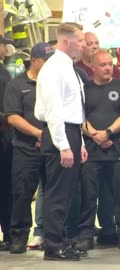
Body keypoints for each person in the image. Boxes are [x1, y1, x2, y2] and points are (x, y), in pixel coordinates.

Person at [34, 22, 88, 261]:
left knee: (67, 193)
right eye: (81, 40)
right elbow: (54, 111)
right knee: (57, 192)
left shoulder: (69, 67)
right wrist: (63, 145)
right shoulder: (53, 68)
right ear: (67, 41)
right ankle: (53, 245)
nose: (84, 44)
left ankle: (61, 239)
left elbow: (74, 108)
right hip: (60, 133)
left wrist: (81, 143)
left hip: (72, 131)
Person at [75, 50, 120, 251]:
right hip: (91, 153)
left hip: (118, 152)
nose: (108, 68)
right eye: (103, 65)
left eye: (110, 64)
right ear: (93, 67)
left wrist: (107, 133)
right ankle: (85, 235)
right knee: (89, 195)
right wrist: (95, 135)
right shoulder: (84, 89)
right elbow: (79, 119)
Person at [3, 42, 54, 254]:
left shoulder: (53, 84)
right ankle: (19, 236)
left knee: (54, 195)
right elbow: (13, 117)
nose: (50, 66)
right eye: (46, 61)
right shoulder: (16, 85)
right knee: (22, 194)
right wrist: (37, 133)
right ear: (34, 60)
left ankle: (53, 237)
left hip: (52, 147)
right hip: (26, 148)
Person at [0, 35, 14, 251]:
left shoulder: (4, 70)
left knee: (6, 187)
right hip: (4, 129)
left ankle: (10, 233)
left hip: (5, 134)